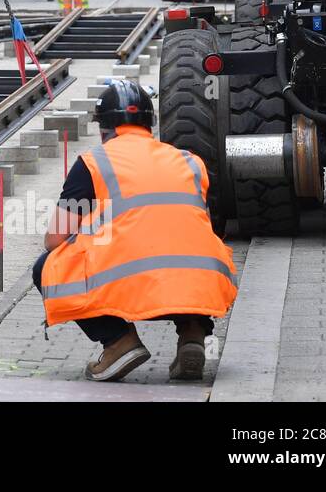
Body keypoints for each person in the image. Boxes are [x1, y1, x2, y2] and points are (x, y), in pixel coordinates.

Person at [35, 80, 237, 383]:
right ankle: (194, 335)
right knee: (187, 251)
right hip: (197, 280)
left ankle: (118, 341)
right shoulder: (189, 161)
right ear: (149, 123)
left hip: (134, 284)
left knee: (46, 266)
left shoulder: (93, 163)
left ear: (103, 127)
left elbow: (55, 239)